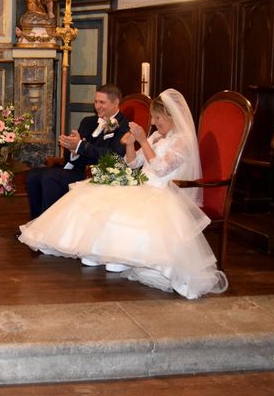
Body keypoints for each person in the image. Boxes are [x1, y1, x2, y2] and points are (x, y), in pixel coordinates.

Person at [18, 89, 228, 299]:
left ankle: (117, 256)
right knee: (93, 193)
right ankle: (96, 250)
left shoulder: (182, 141)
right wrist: (130, 145)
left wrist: (143, 141)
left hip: (163, 190)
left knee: (124, 209)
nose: (153, 123)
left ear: (171, 117)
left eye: (157, 118)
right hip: (141, 183)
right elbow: (133, 162)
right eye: (153, 117)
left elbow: (161, 169)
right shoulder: (156, 136)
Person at [26, 84, 129, 219]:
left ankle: (48, 225)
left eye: (102, 102)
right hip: (77, 168)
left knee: (49, 177)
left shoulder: (124, 126)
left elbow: (114, 155)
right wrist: (72, 149)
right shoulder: (88, 122)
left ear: (116, 103)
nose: (97, 106)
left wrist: (81, 145)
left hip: (95, 174)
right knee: (33, 175)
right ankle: (36, 223)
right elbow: (72, 154)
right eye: (96, 101)